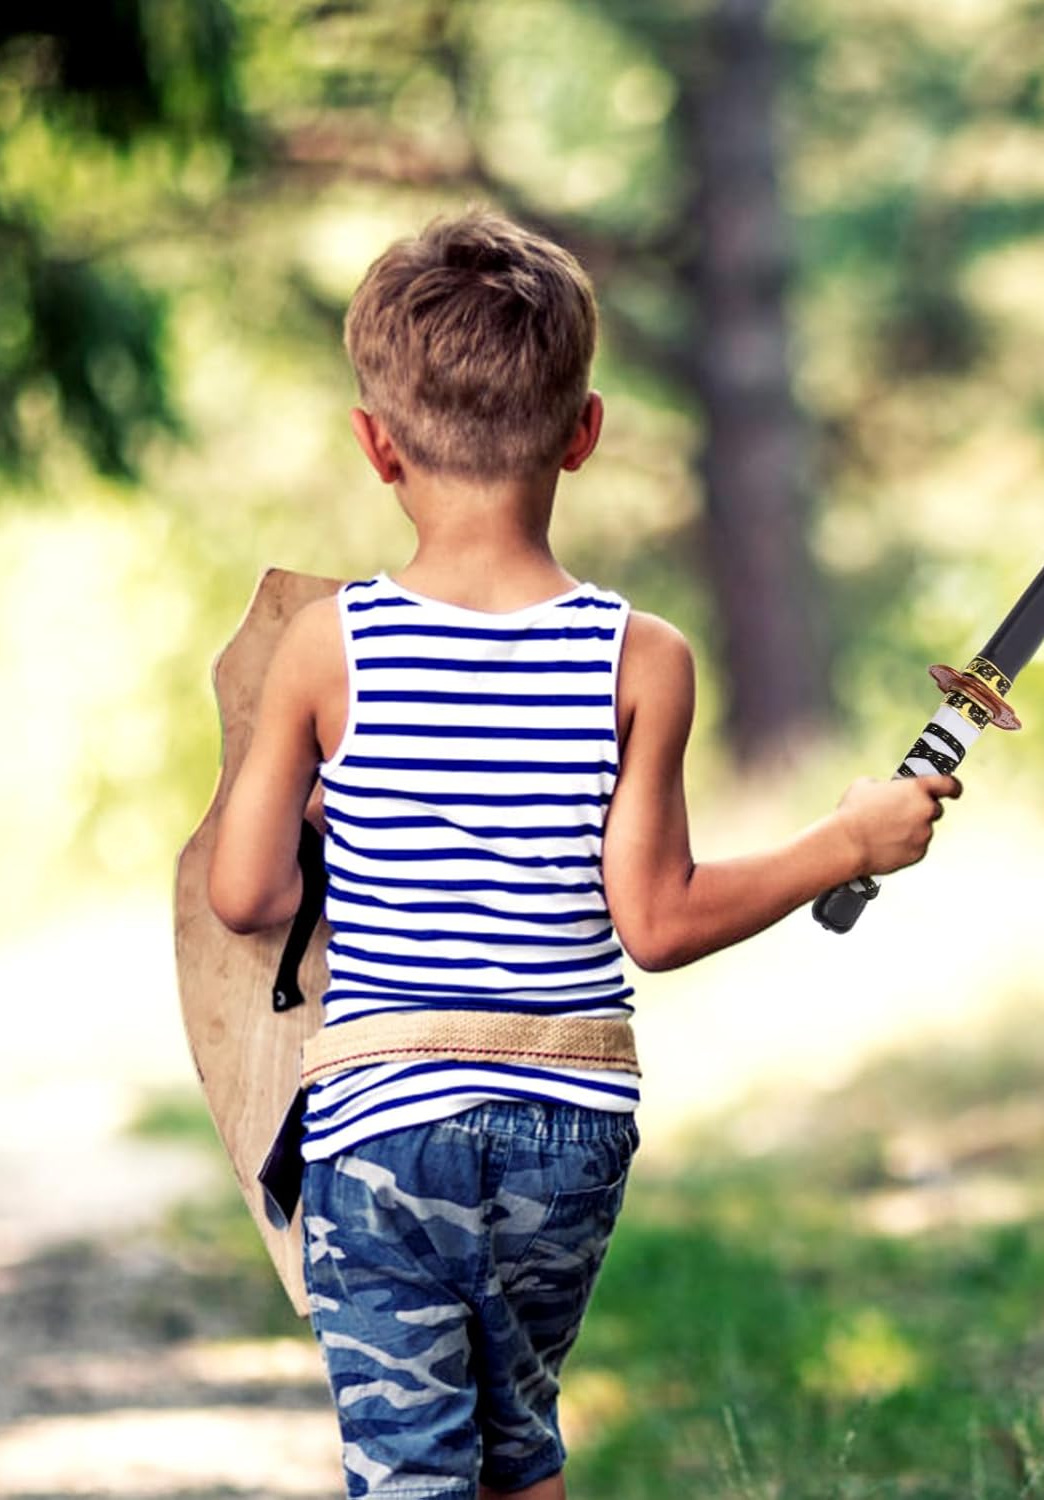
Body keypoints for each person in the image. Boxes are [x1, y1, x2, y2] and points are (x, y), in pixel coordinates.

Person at [206, 208, 961, 1500]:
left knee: (411, 1469)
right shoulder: (640, 657)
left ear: (375, 444)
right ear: (585, 431)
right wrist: (845, 840)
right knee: (519, 1446)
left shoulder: (327, 646)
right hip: (568, 1126)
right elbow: (658, 922)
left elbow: (243, 896)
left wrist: (327, 824)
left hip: (384, 1130)